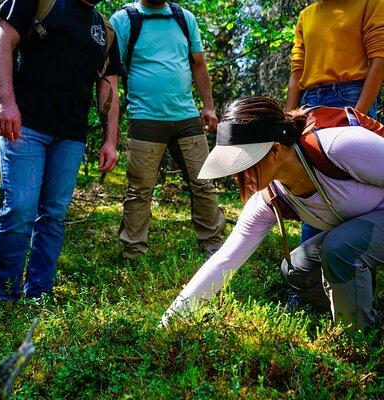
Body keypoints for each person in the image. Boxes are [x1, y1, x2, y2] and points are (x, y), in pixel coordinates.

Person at [161, 96, 384, 332]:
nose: (239, 176)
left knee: (339, 248)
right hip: (364, 233)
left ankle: (358, 339)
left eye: (245, 164)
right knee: (297, 268)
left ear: (275, 150)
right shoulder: (271, 196)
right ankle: (363, 313)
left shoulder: (339, 146)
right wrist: (170, 321)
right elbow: (224, 260)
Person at [0, 0, 123, 301]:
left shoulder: (106, 29)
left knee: (54, 215)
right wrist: (5, 103)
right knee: (20, 210)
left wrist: (110, 139)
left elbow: (108, 86)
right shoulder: (41, 2)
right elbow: (0, 42)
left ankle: (39, 293)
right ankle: (4, 295)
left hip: (71, 136)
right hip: (24, 126)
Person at [110, 0, 225, 261]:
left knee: (204, 182)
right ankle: (133, 252)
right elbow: (111, 73)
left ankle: (213, 247)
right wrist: (111, 123)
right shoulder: (124, 19)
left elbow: (198, 64)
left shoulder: (185, 18)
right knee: (139, 189)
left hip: (186, 116)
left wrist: (208, 107)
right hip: (145, 117)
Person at [285, 0, 384, 242]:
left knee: (350, 177)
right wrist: (288, 115)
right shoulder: (307, 15)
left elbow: (379, 58)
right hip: (309, 102)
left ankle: (352, 259)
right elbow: (297, 70)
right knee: (312, 175)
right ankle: (310, 261)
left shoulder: (370, 3)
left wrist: (358, 115)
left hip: (350, 94)